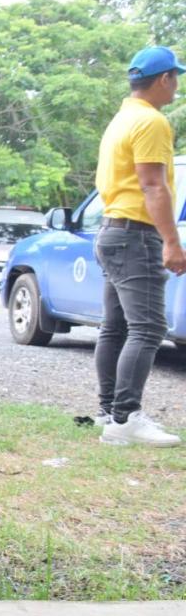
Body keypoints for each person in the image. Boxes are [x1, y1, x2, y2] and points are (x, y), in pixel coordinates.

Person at [93, 46, 186, 447]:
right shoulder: (151, 121)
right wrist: (171, 240)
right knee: (148, 328)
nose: (177, 85)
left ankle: (108, 411)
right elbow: (153, 184)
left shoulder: (122, 118)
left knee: (114, 327)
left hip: (113, 229)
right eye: (176, 77)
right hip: (136, 234)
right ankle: (125, 418)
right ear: (164, 79)